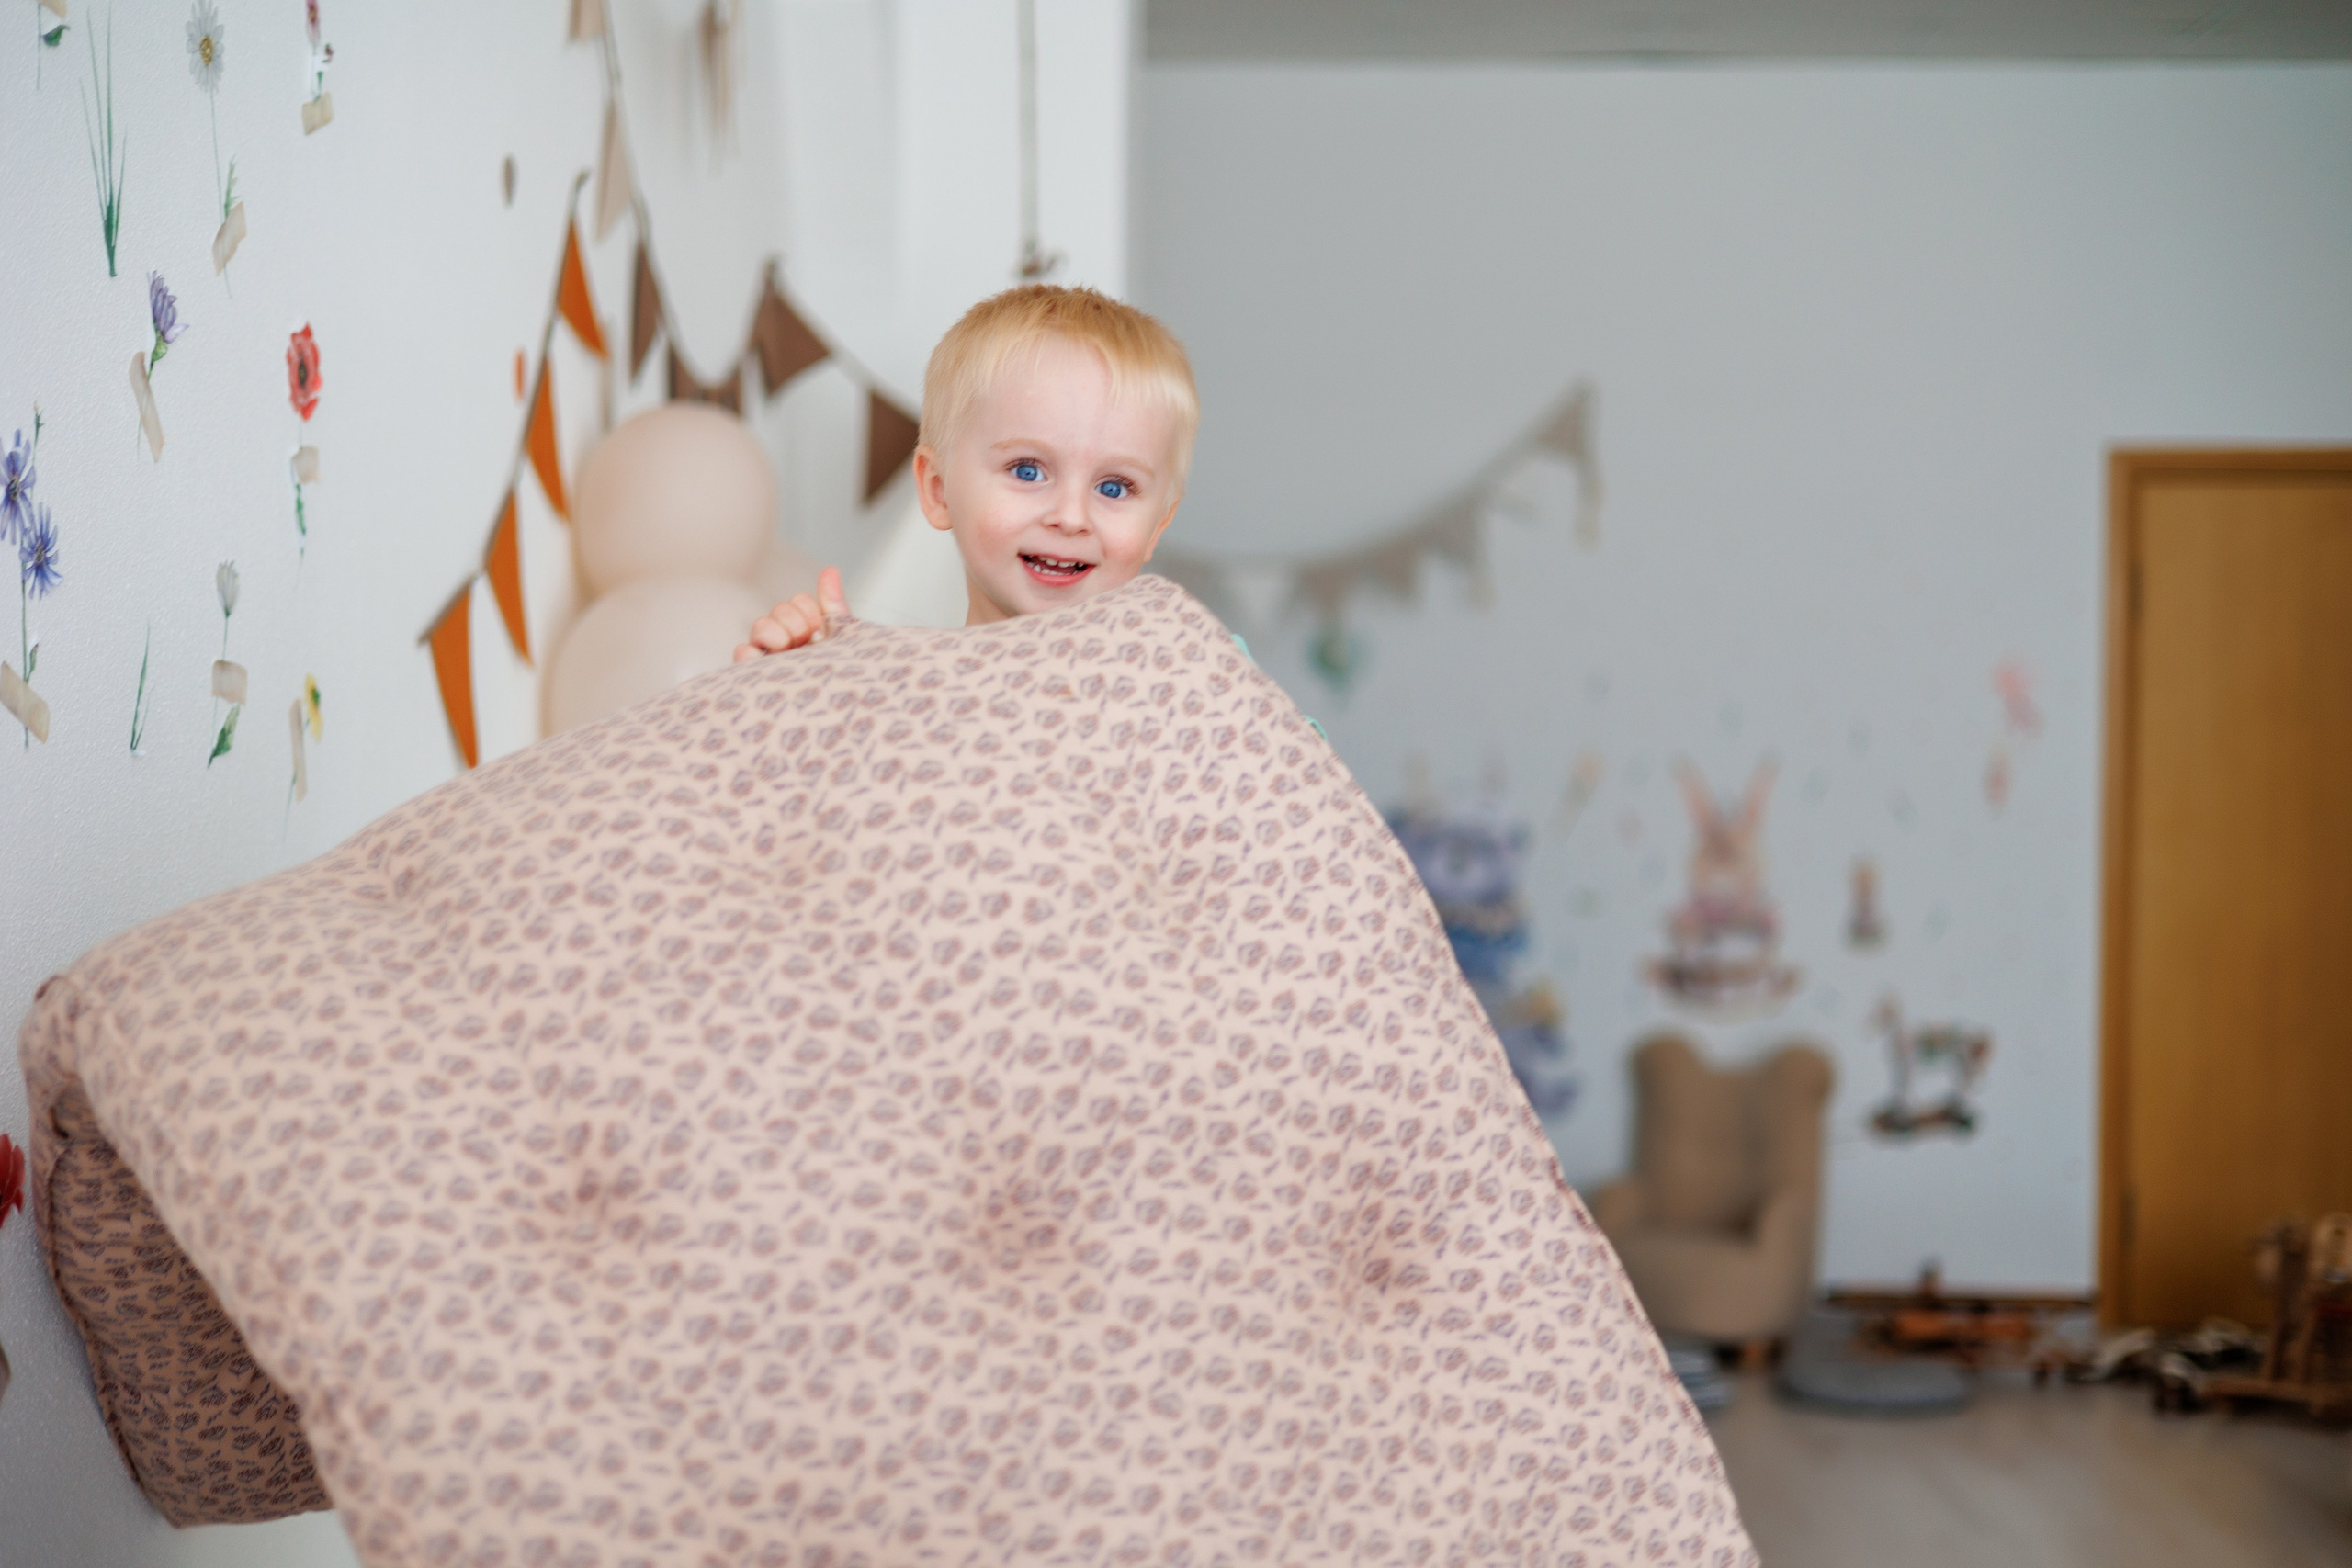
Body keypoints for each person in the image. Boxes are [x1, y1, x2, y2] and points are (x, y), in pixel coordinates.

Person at [732, 283, 1196, 660]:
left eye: (1114, 487)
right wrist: (797, 695)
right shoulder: (894, 695)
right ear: (938, 490)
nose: (1071, 518)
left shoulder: (1198, 687)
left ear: (1157, 526)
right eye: (1028, 471)